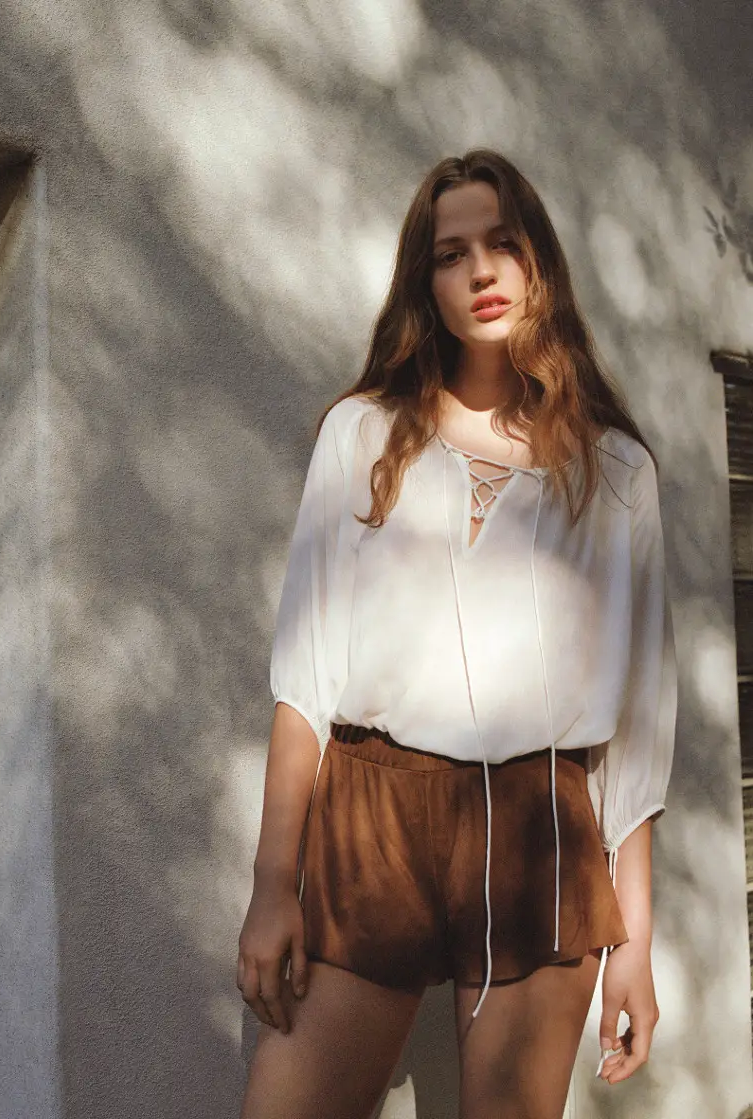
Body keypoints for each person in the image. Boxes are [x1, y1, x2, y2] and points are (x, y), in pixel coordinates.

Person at [236, 149, 677, 1119]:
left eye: (503, 244)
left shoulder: (614, 474)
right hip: (375, 812)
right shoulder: (361, 436)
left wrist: (635, 945)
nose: (481, 272)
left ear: (538, 262)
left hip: (539, 826)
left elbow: (639, 729)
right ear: (423, 281)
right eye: (450, 253)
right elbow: (306, 681)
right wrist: (273, 887)